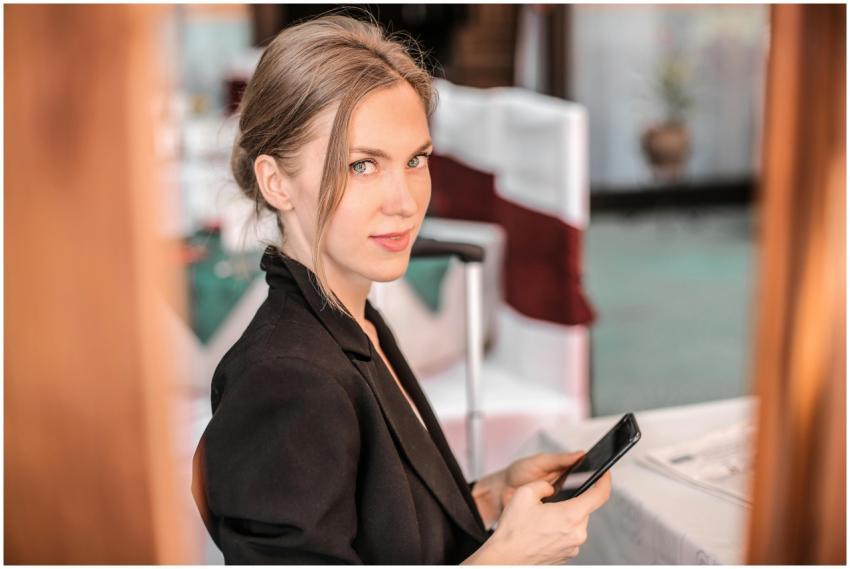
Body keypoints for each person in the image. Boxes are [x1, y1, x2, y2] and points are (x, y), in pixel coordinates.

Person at [192, 12, 611, 564]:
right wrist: (508, 556)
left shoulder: (354, 320)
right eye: (362, 165)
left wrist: (488, 497)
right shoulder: (287, 379)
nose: (406, 202)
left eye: (415, 160)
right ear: (277, 182)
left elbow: (382, 529)